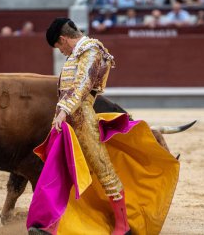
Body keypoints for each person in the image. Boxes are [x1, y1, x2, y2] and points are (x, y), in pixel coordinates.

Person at [29, 18, 131, 235]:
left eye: (59, 46)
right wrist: (62, 113)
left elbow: (82, 85)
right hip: (67, 121)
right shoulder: (79, 54)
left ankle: (123, 226)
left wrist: (64, 111)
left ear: (64, 39)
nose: (60, 51)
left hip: (83, 119)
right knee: (63, 171)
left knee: (102, 168)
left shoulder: (92, 50)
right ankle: (53, 227)